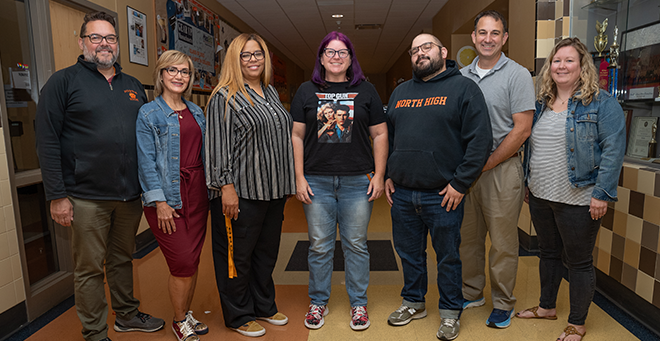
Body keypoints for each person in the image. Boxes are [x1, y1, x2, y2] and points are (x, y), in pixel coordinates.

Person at [35, 11, 165, 341]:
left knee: (122, 259)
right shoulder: (62, 83)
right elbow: (47, 140)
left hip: (127, 196)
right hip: (85, 197)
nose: (103, 44)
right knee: (90, 269)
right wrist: (57, 195)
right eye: (95, 37)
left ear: (118, 44)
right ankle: (94, 333)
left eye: (110, 38)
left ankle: (127, 315)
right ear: (82, 42)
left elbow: (147, 137)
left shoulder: (133, 86)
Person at [385, 33, 492, 341]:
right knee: (409, 254)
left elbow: (480, 141)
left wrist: (460, 183)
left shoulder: (464, 89)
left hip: (444, 195)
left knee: (447, 257)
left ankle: (449, 313)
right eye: (415, 50)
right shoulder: (400, 92)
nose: (421, 53)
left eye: (427, 47)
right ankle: (414, 302)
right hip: (403, 194)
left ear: (443, 52)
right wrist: (390, 173)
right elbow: (391, 138)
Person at [516, 37, 625, 341]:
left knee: (578, 262)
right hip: (540, 195)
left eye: (569, 61)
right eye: (556, 61)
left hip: (579, 198)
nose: (561, 66)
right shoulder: (540, 104)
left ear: (582, 66)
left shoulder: (602, 103)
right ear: (549, 67)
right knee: (548, 253)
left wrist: (602, 194)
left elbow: (613, 151)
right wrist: (529, 183)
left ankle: (577, 323)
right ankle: (547, 307)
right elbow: (532, 148)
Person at [291, 31, 387, 331]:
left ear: (350, 58)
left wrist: (380, 175)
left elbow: (381, 134)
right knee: (319, 246)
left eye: (342, 52)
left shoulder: (367, 91)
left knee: (356, 245)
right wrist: (299, 177)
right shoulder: (306, 91)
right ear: (321, 57)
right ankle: (318, 302)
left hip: (358, 181)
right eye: (330, 52)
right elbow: (296, 135)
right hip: (316, 181)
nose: (335, 57)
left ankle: (359, 303)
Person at [205, 33, 295, 338]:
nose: (253, 59)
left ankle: (263, 306)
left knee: (265, 254)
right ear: (235, 59)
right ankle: (238, 314)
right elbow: (217, 147)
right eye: (245, 55)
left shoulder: (270, 93)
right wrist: (225, 187)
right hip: (240, 193)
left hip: (274, 191)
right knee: (236, 257)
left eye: (258, 54)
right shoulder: (224, 97)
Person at [458, 10, 535, 328]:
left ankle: (503, 302)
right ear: (474, 37)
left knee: (503, 243)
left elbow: (522, 130)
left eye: (495, 33)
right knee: (467, 239)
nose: (488, 38)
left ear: (504, 38)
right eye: (482, 32)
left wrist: (485, 164)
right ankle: (472, 292)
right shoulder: (460, 77)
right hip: (465, 173)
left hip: (501, 169)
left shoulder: (517, 75)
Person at [136, 50, 208, 341]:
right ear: (161, 75)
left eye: (185, 72)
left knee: (193, 260)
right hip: (168, 198)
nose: (179, 76)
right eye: (173, 70)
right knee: (183, 262)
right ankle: (179, 322)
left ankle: (186, 314)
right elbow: (145, 161)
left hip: (198, 195)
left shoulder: (197, 111)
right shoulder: (148, 113)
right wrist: (160, 202)